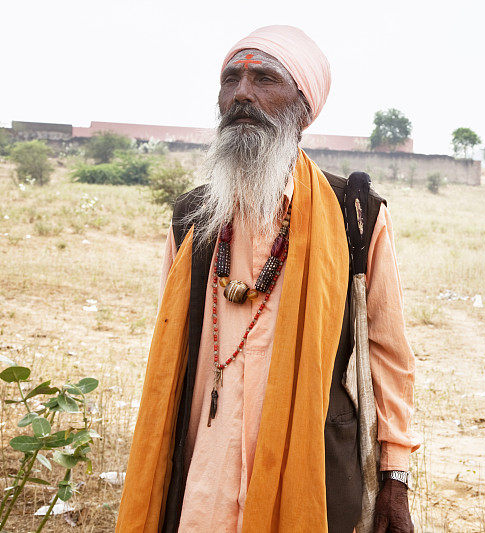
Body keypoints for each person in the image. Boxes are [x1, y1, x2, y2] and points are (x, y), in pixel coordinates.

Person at [116, 25, 419, 533]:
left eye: (264, 80)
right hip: (202, 468)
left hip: (316, 458)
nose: (241, 95)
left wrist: (395, 476)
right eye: (230, 80)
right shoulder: (193, 220)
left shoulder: (355, 215)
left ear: (303, 108)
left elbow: (387, 353)